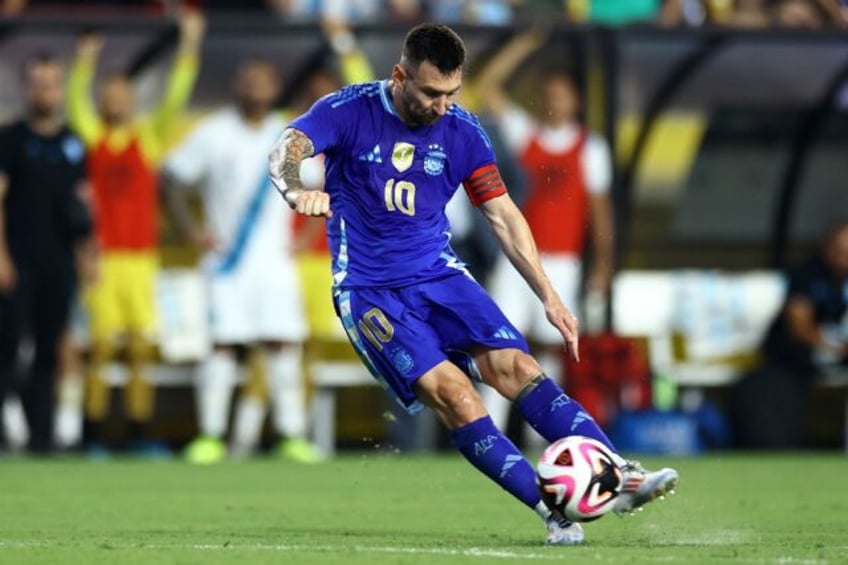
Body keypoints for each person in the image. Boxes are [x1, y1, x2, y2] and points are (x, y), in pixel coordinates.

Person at [268, 23, 678, 545]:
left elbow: (503, 215)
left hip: (440, 274)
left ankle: (619, 475)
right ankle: (552, 511)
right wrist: (294, 190)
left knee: (518, 367)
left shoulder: (462, 131)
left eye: (452, 94)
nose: (442, 105)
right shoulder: (347, 111)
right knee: (457, 396)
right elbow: (287, 148)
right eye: (431, 93)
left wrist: (548, 295)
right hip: (370, 291)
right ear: (400, 76)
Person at [162, 59, 322, 465]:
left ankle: (290, 435)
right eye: (249, 79)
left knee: (283, 346)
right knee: (220, 347)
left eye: (263, 80)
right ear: (238, 85)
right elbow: (172, 180)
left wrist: (304, 236)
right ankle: (211, 436)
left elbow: (327, 183)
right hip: (225, 264)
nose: (256, 87)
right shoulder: (213, 132)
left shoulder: (290, 135)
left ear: (275, 87)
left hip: (274, 263)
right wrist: (190, 232)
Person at [67, 10, 205, 454]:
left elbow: (174, 99)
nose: (115, 102)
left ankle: (139, 432)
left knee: (142, 350)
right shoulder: (94, 137)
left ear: (131, 100)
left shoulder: (148, 138)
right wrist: (85, 60)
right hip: (105, 258)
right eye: (108, 95)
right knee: (103, 349)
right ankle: (93, 434)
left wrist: (188, 49)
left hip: (142, 258)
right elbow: (75, 103)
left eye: (121, 94)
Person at [474, 30, 616, 442]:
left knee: (553, 348)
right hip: (518, 256)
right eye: (548, 93)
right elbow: (488, 88)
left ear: (575, 100)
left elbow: (601, 213)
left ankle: (546, 438)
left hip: (563, 262)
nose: (554, 100)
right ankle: (492, 433)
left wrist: (603, 264)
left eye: (562, 94)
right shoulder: (526, 135)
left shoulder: (591, 148)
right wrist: (524, 44)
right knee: (499, 342)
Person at [0, 52, 94, 454]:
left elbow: (82, 205)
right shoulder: (10, 139)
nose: (45, 91)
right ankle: (6, 431)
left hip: (59, 262)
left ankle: (41, 436)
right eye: (38, 83)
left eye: (52, 83)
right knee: (6, 346)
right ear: (26, 88)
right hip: (18, 258)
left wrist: (87, 253)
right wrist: (1, 256)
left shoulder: (72, 142)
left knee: (49, 347)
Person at [734, 221, 848, 447]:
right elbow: (800, 328)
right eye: (840, 251)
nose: (844, 259)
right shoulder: (806, 275)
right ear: (826, 249)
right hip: (795, 362)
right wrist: (835, 348)